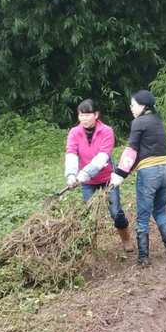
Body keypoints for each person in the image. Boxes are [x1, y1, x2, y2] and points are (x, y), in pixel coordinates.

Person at [110, 90, 166, 266]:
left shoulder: (138, 122)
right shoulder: (157, 121)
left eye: (133, 104)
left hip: (149, 173)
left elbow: (132, 151)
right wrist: (125, 172)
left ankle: (144, 257)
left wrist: (119, 174)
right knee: (160, 210)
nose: (131, 108)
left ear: (143, 105)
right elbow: (145, 151)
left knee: (143, 215)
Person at [65, 99, 135, 253]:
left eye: (87, 114)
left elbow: (103, 156)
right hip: (88, 183)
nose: (83, 118)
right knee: (89, 215)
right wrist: (71, 175)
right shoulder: (74, 132)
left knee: (115, 212)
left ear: (96, 115)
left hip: (108, 179)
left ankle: (126, 239)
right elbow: (71, 153)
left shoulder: (106, 131)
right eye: (81, 115)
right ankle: (91, 250)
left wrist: (84, 173)